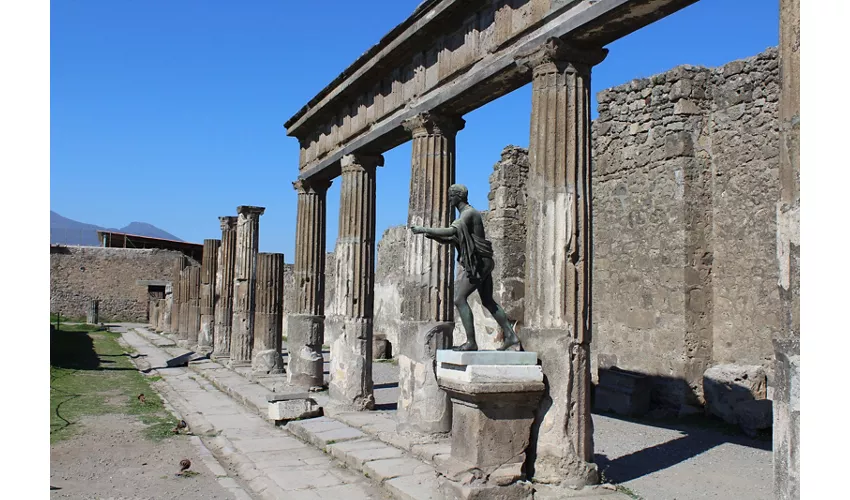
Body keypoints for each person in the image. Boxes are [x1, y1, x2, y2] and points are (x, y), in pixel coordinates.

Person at [410, 184, 521, 351]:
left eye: (450, 195)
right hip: (483, 262)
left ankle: (471, 342)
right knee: (488, 301)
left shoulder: (468, 214)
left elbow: (450, 232)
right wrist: (432, 235)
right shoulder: (465, 215)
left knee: (459, 299)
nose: (448, 199)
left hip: (479, 263)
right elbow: (454, 239)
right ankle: (510, 335)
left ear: (458, 196)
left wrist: (424, 229)